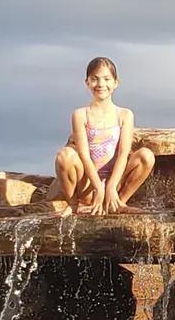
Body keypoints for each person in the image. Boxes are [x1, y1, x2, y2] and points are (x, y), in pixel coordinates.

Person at [48, 57, 155, 216]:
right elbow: (83, 154)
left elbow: (123, 153)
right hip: (89, 186)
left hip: (115, 184)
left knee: (146, 155)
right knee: (65, 155)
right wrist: (98, 187)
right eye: (94, 79)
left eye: (106, 79)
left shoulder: (124, 115)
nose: (100, 84)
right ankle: (73, 204)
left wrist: (110, 187)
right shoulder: (80, 115)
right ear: (87, 83)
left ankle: (120, 203)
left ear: (115, 82)